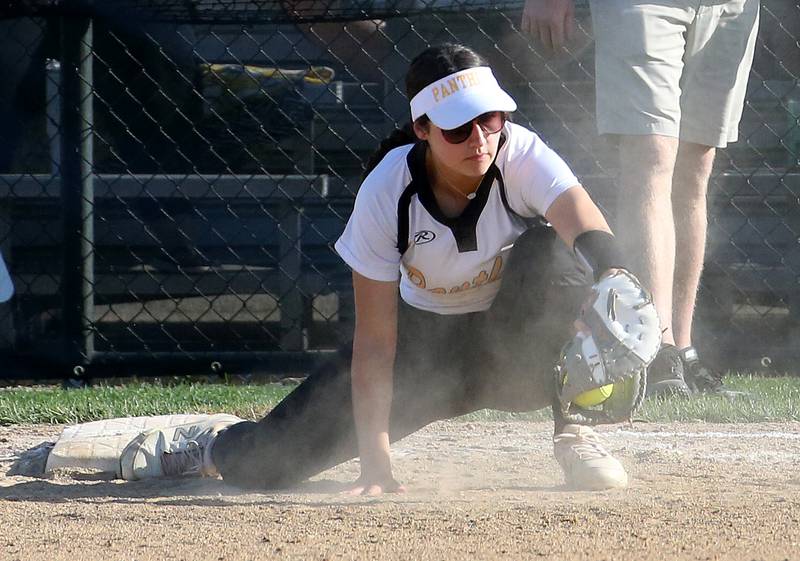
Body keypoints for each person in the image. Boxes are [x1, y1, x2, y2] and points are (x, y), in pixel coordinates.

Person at [118, 43, 644, 493]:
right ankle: (210, 444)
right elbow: (375, 343)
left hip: (514, 350)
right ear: (422, 128)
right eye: (458, 127)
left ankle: (575, 430)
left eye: (490, 118)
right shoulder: (387, 191)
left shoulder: (519, 153)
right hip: (426, 358)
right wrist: (376, 463)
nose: (480, 138)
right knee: (268, 466)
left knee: (555, 252)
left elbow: (585, 225)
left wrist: (615, 273)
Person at [521, 0, 760, 395]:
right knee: (651, 155)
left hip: (731, 7)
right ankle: (654, 351)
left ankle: (681, 352)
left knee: (695, 166)